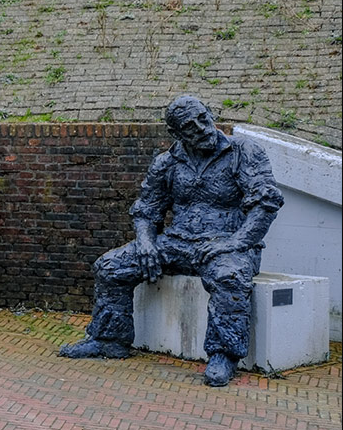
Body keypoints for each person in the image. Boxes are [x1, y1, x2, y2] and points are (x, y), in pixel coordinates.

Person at [59, 95, 284, 386]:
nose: (202, 128)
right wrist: (145, 242)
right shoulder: (166, 163)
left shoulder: (244, 152)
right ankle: (108, 339)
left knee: (229, 277)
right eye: (190, 127)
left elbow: (264, 205)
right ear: (177, 134)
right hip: (176, 243)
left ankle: (224, 355)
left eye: (204, 118)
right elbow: (146, 210)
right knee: (110, 267)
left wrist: (234, 243)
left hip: (227, 245)